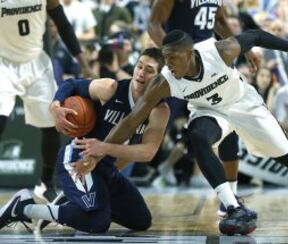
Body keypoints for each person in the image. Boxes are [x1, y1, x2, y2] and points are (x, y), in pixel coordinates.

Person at [76, 29, 288, 235]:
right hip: (210, 111)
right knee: (197, 135)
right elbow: (131, 119)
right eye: (166, 59)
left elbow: (256, 35)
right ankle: (233, 206)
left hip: (243, 104)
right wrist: (99, 150)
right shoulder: (164, 82)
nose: (169, 66)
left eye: (173, 59)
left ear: (190, 54)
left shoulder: (219, 52)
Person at [0, 48, 170, 233]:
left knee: (141, 220)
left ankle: (69, 204)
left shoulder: (159, 110)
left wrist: (105, 148)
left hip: (106, 168)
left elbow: (147, 152)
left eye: (149, 70)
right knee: (97, 222)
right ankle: (22, 207)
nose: (141, 74)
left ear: (160, 78)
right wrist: (55, 106)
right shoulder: (111, 88)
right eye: (139, 66)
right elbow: (71, 84)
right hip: (78, 157)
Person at [148, 0, 259, 218]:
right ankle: (110, 168)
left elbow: (219, 21)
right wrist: (175, 56)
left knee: (230, 122)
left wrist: (242, 48)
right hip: (181, 67)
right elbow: (153, 24)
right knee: (148, 120)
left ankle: (229, 200)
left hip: (209, 62)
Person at [0, 0, 94, 202]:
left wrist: (84, 64)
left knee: (52, 124)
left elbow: (63, 24)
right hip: (3, 62)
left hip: (37, 62)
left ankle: (45, 183)